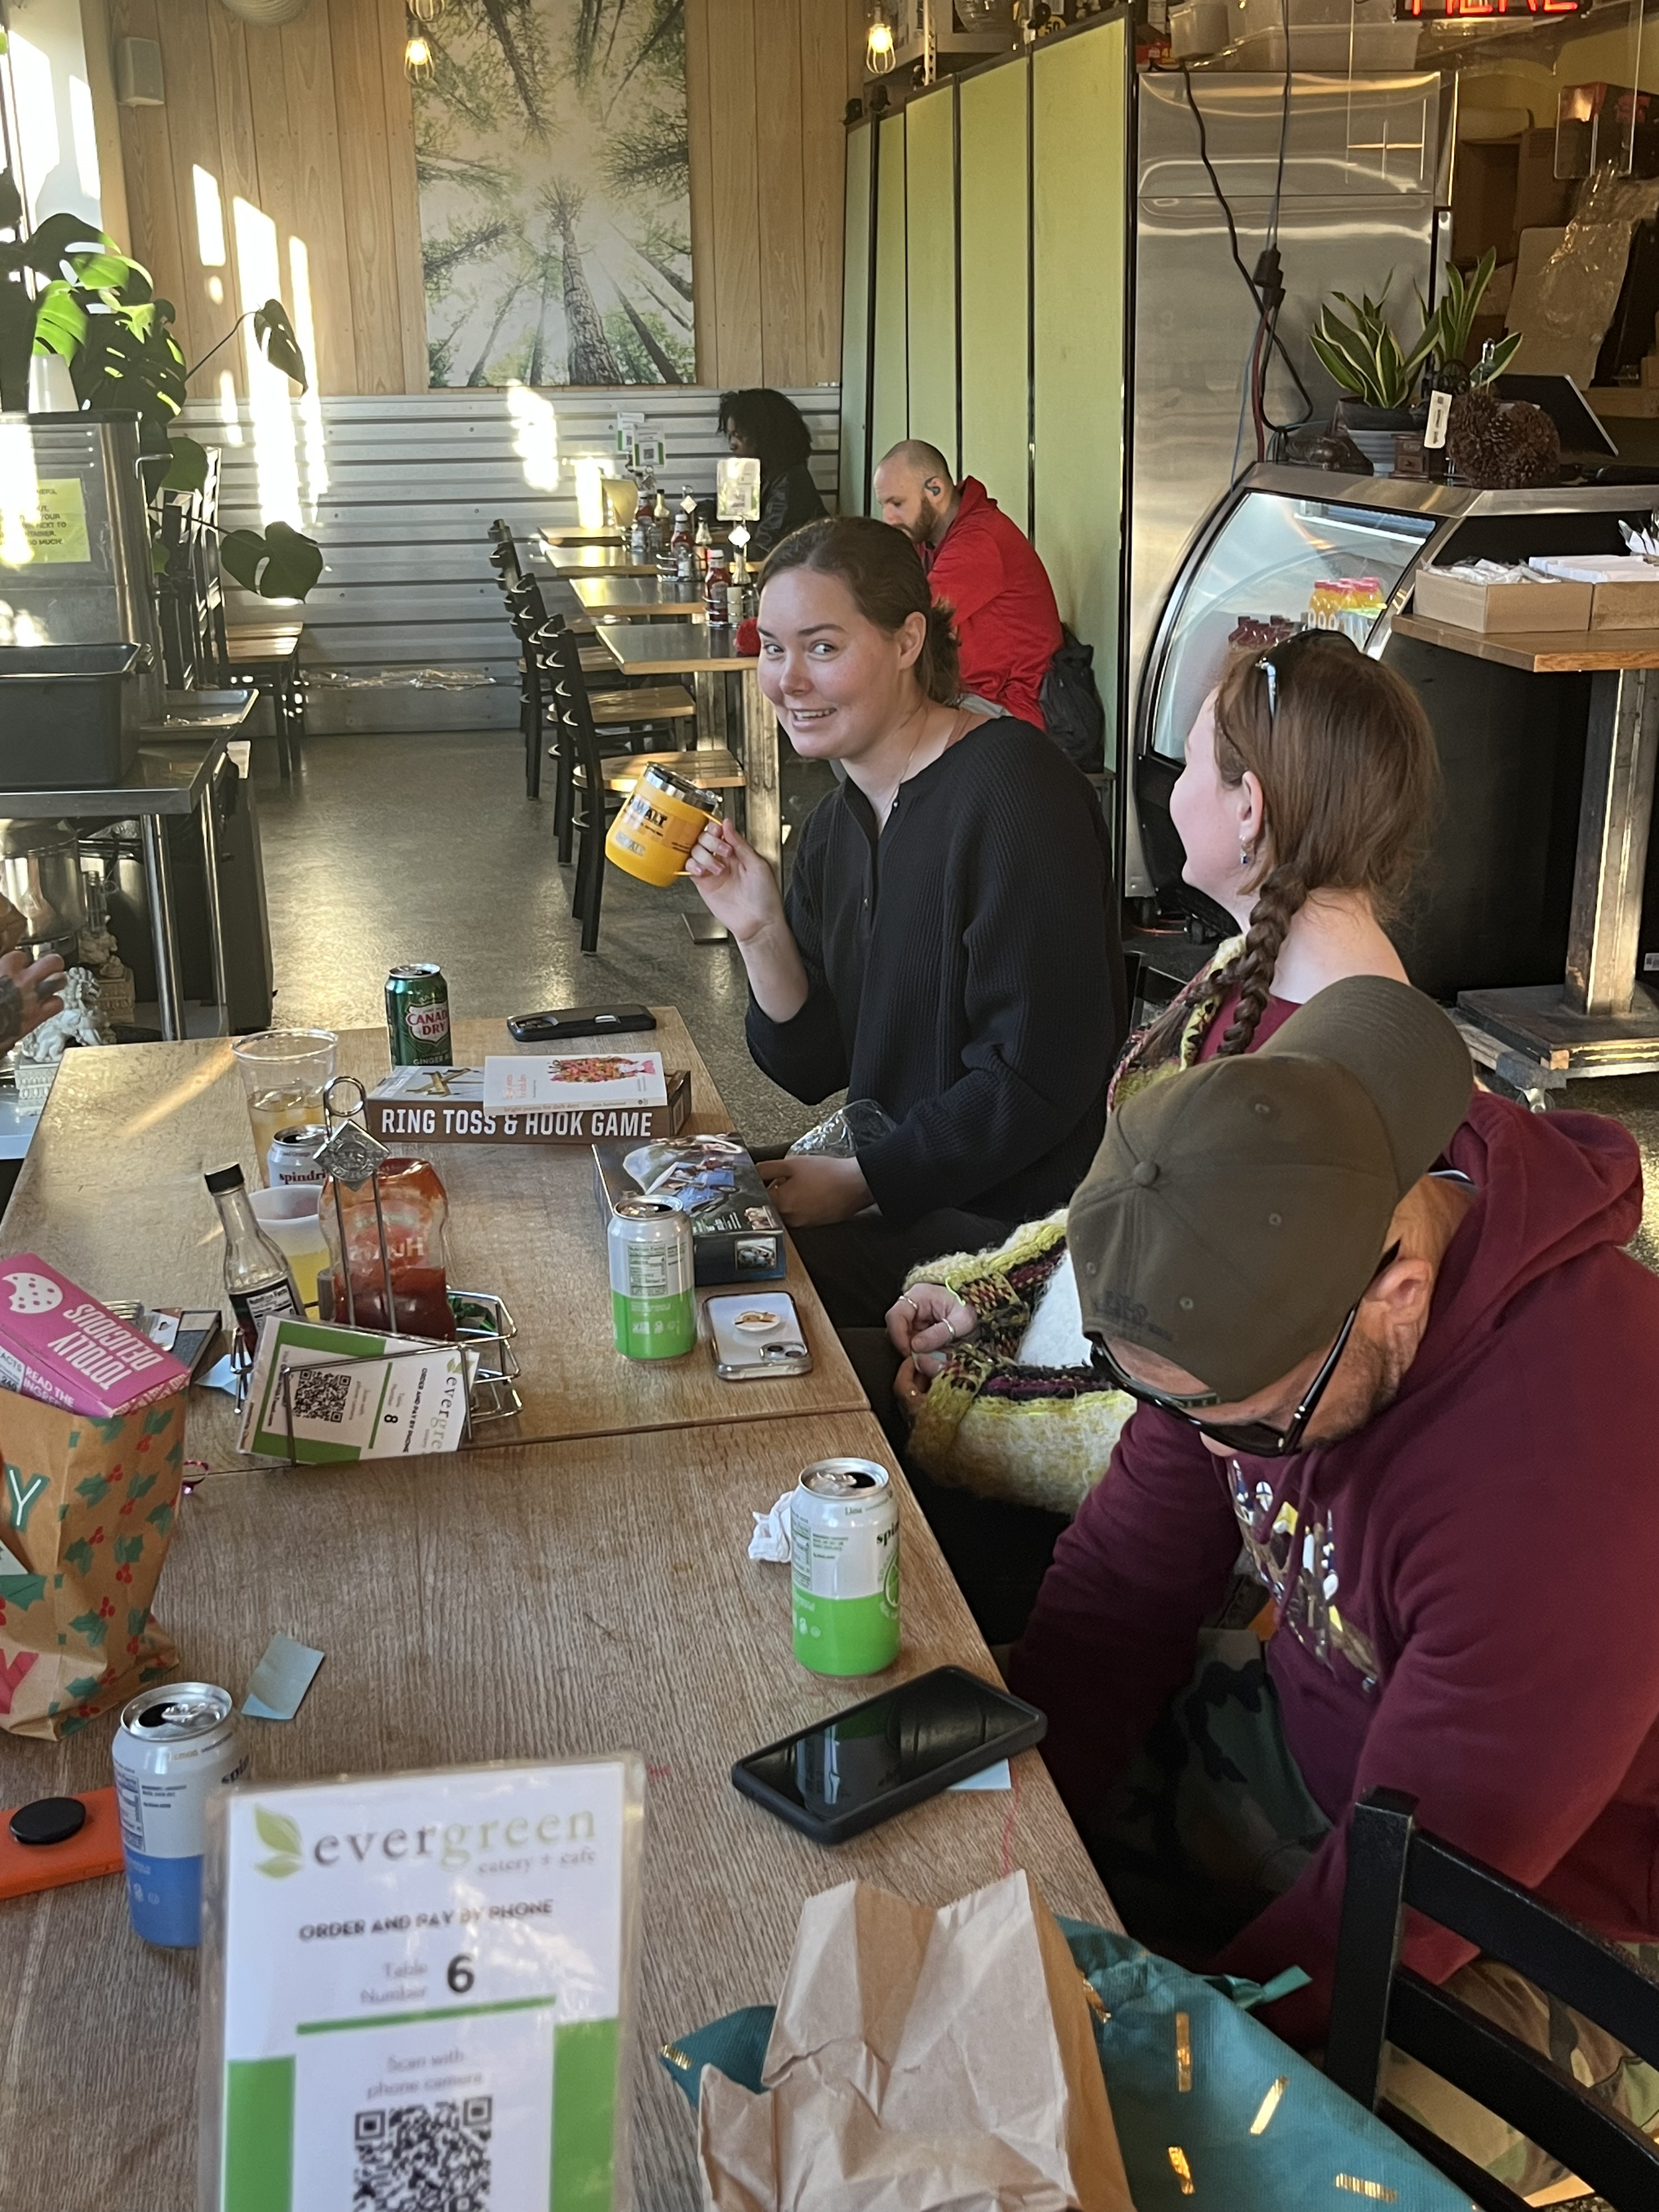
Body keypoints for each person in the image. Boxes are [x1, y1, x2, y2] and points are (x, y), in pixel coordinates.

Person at [1011, 974, 1659, 2191]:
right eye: (1174, 1406)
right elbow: (1115, 1593)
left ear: (1396, 1288)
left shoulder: (1570, 1473)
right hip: (1345, 1749)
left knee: (1228, 2169)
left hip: (1558, 1910)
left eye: (1250, 1429)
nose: (1208, 1452)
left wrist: (1166, 2053)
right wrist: (1003, 1833)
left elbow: (1402, 1903)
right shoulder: (1263, 1230)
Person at [883, 632, 1439, 1560]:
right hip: (1084, 1397)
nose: (1170, 787)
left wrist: (968, 1411)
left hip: (1151, 1531)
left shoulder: (1298, 1079)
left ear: (1248, 809)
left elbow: (1202, 1414)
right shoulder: (1262, 975)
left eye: (1187, 762)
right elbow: (1134, 1211)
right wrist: (988, 1292)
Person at [684, 515, 1123, 1330]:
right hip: (897, 1183)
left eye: (822, 647)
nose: (787, 681)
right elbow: (814, 1064)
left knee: (712, 1296)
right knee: (667, 1229)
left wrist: (863, 1181)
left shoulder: (1013, 791)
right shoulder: (834, 824)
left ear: (906, 640)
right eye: (772, 649)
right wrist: (758, 931)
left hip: (1007, 1230)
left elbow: (1034, 1080)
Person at [872, 440, 1062, 731]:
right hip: (970, 692)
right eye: (883, 505)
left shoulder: (979, 540)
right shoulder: (928, 537)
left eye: (897, 503)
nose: (888, 517)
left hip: (1010, 705)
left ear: (935, 490)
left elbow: (907, 619)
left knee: (875, 728)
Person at [717, 388, 826, 560]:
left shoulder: (790, 484)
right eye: (730, 436)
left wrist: (709, 557)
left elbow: (761, 550)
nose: (732, 444)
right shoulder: (765, 474)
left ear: (764, 435)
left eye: (739, 436)